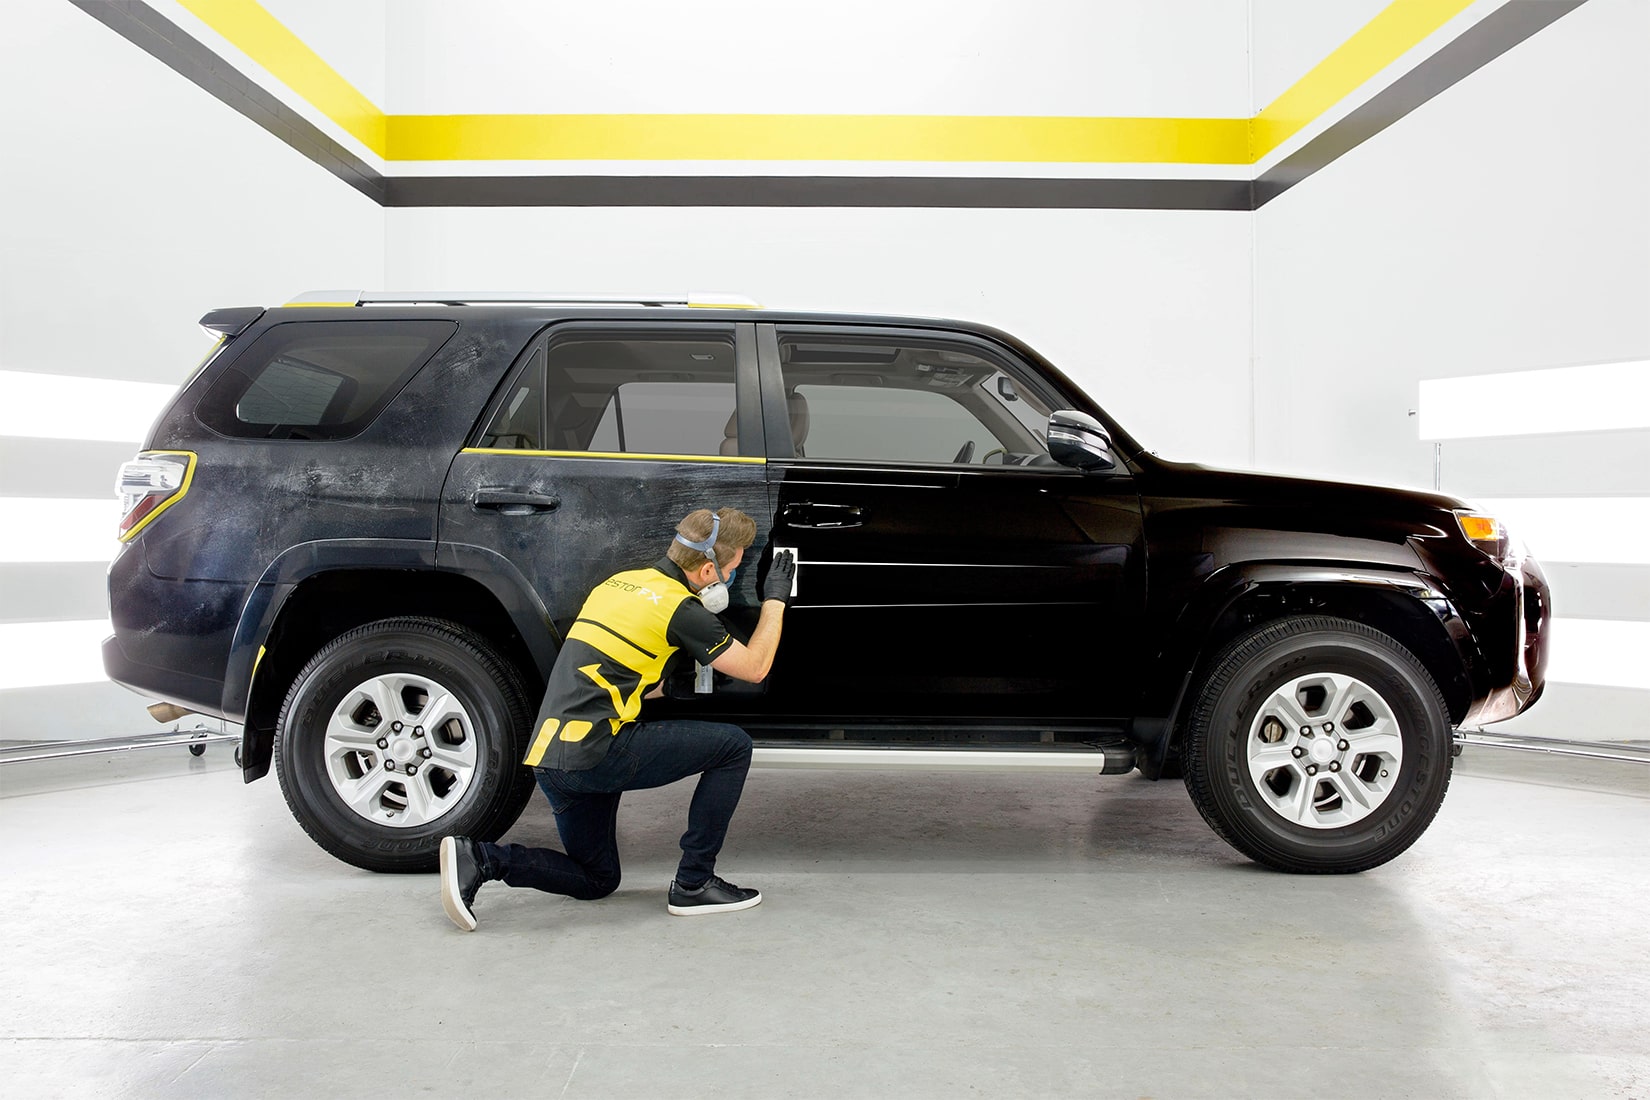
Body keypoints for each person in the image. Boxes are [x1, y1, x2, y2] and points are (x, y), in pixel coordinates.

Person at [439, 507, 795, 930]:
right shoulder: (681, 609)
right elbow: (756, 667)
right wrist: (775, 597)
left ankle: (480, 857)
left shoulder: (619, 583)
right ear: (705, 571)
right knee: (733, 746)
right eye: (733, 569)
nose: (730, 579)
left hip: (552, 759)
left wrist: (669, 688)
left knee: (597, 878)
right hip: (595, 754)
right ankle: (695, 882)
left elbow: (612, 670)